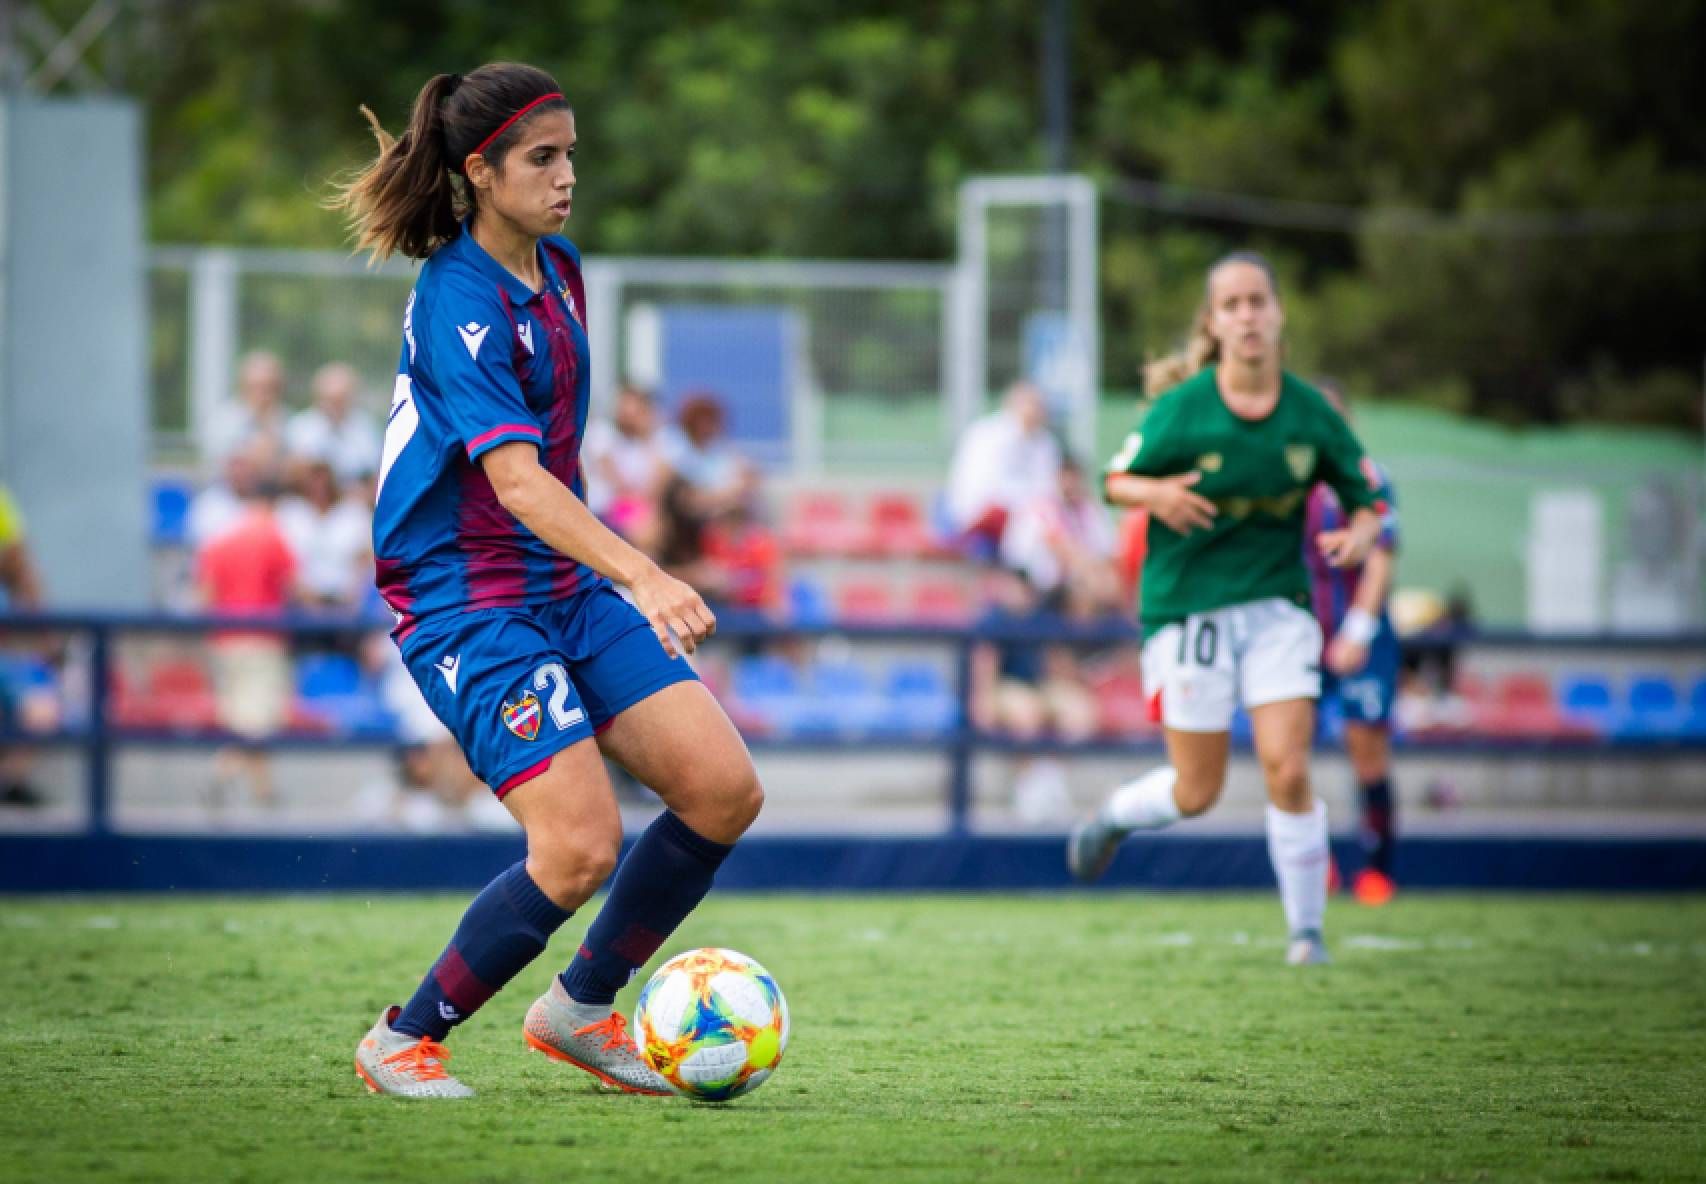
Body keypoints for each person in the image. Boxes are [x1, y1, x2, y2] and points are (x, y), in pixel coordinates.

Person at [330, 62, 763, 1099]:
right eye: (541, 158)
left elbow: (554, 472)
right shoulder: (454, 297)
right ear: (480, 172)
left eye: (570, 153)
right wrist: (646, 573)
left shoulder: (558, 268)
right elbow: (516, 481)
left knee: (721, 792)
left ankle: (576, 1009)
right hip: (464, 598)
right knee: (575, 845)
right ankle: (402, 1037)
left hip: (556, 586)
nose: (565, 174)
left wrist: (611, 571)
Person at [1066, 251, 1384, 966]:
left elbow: (1370, 500)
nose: (1247, 315)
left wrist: (1358, 533)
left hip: (1278, 607)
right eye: (1232, 305)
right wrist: (1159, 496)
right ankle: (1114, 818)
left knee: (1288, 769)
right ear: (1213, 322)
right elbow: (1115, 479)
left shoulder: (1309, 414)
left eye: (1257, 301)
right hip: (1188, 611)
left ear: (1277, 315)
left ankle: (1307, 936)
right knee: (1197, 790)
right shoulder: (1184, 409)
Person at [1305, 381, 1402, 906]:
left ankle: (1376, 871)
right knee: (1289, 751)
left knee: (1367, 752)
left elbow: (1382, 555)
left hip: (1361, 639)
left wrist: (1357, 630)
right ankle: (1312, 864)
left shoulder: (1366, 478)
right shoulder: (1292, 483)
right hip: (1304, 635)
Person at [196, 476, 298, 810]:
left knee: (243, 718)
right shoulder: (273, 535)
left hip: (224, 639)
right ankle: (219, 776)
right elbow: (294, 589)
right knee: (256, 722)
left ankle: (263, 792)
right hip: (262, 640)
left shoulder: (220, 539)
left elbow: (204, 594)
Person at [943, 380, 1062, 556]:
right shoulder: (986, 434)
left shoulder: (1045, 442)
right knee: (1038, 526)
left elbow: (1048, 487)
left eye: (1039, 406)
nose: (1036, 411)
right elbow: (984, 490)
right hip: (982, 511)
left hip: (1025, 513)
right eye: (1031, 404)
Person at [277, 454, 373, 612]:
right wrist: (305, 595)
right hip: (302, 602)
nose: (319, 487)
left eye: (323, 481)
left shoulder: (354, 513)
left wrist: (353, 595)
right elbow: (284, 562)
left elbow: (365, 560)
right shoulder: (290, 513)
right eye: (314, 481)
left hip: (345, 601)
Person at [580, 382, 667, 548]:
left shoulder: (648, 442)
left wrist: (648, 436)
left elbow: (658, 485)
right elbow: (616, 480)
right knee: (644, 530)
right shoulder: (603, 433)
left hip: (636, 508)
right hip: (605, 507)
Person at [285, 362, 383, 487]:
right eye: (331, 400)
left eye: (341, 399)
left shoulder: (367, 427)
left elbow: (372, 467)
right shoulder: (300, 427)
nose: (335, 407)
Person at [210, 350, 288, 467]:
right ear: (243, 386)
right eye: (258, 387)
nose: (264, 394)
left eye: (270, 387)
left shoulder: (289, 421)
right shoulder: (223, 422)